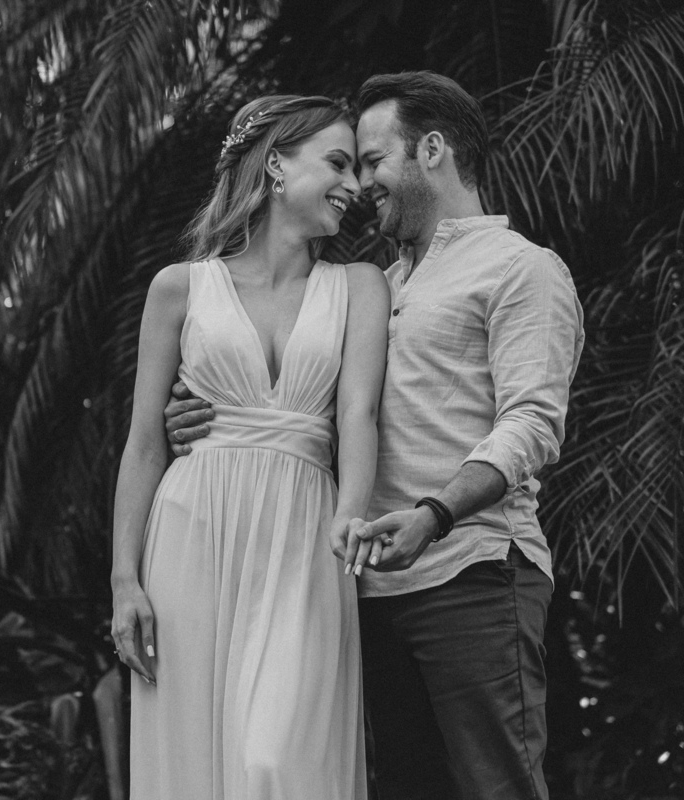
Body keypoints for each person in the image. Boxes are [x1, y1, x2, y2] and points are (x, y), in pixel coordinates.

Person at [165, 71, 586, 800]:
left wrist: (434, 514)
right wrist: (201, 415)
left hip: (474, 574)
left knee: (497, 786)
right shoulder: (371, 287)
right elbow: (311, 412)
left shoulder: (522, 270)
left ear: (432, 150)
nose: (360, 185)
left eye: (372, 160)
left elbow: (531, 424)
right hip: (367, 589)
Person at [110, 94, 390, 800]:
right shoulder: (179, 289)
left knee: (277, 759)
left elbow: (358, 414)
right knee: (195, 760)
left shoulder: (360, 287)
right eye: (337, 163)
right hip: (191, 532)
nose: (354, 186)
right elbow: (144, 444)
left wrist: (350, 515)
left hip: (307, 537)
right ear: (275, 166)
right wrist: (124, 582)